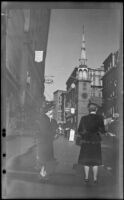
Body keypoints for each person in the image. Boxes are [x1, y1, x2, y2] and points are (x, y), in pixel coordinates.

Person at [77, 102, 107, 184]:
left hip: (86, 142)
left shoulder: (83, 118)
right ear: (96, 109)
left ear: (88, 110)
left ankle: (86, 178)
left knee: (86, 161)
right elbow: (102, 131)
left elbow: (80, 131)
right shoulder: (100, 118)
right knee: (95, 161)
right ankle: (95, 179)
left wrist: (84, 135)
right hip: (96, 142)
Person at [35, 102, 57, 180]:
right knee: (44, 158)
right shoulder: (43, 119)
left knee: (47, 158)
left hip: (48, 142)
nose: (53, 111)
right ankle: (42, 173)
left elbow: (53, 128)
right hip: (43, 142)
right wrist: (52, 133)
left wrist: (54, 133)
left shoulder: (50, 119)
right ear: (48, 110)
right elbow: (44, 131)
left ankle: (43, 173)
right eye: (52, 110)